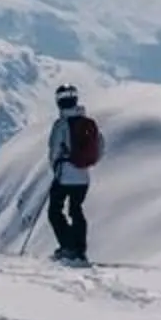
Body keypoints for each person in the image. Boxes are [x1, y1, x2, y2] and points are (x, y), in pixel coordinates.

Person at [44, 84, 102, 264]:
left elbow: (53, 150)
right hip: (83, 176)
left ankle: (68, 246)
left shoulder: (61, 124)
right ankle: (79, 248)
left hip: (64, 174)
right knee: (76, 210)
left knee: (55, 211)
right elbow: (100, 147)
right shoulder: (88, 123)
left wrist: (56, 167)